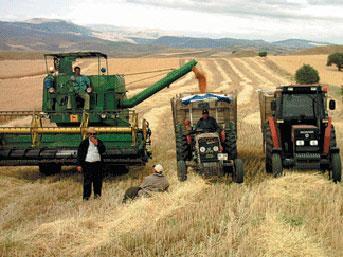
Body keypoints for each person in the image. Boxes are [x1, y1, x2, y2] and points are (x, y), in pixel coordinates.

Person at [77, 127, 106, 200]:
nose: (92, 135)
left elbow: (103, 150)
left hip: (97, 164)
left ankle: (97, 196)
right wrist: (79, 165)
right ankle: (86, 198)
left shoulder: (99, 142)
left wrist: (97, 144)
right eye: (91, 134)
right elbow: (79, 154)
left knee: (98, 182)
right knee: (87, 182)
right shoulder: (84, 143)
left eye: (94, 134)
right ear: (87, 134)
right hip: (88, 165)